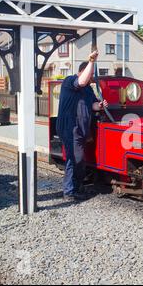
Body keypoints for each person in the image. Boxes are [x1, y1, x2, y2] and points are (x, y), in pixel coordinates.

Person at [56, 51, 108, 201]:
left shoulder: (88, 89)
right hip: (69, 127)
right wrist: (91, 60)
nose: (92, 78)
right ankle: (69, 191)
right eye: (91, 74)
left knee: (78, 159)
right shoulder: (69, 81)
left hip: (80, 129)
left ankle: (77, 187)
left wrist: (100, 105)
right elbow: (82, 81)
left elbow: (93, 105)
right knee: (74, 158)